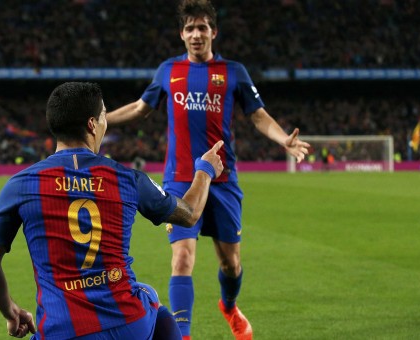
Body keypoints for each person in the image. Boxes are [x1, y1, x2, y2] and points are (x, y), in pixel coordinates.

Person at [105, 1, 310, 339]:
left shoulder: (233, 72)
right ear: (181, 34)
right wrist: (102, 119)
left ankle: (228, 307)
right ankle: (183, 336)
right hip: (180, 180)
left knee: (230, 264)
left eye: (202, 28)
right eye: (189, 28)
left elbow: (257, 115)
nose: (196, 34)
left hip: (223, 180)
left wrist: (282, 139)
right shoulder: (167, 71)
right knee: (182, 259)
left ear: (213, 32)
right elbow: (141, 109)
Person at [0, 82, 225, 339]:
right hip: (129, 325)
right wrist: (204, 170)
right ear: (92, 125)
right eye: (104, 116)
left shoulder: (20, 185)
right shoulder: (127, 178)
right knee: (149, 297)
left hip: (62, 330)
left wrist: (11, 312)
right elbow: (190, 213)